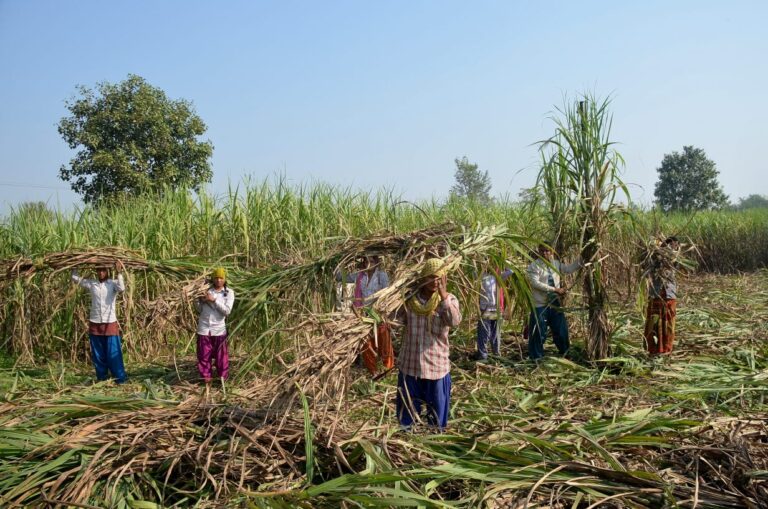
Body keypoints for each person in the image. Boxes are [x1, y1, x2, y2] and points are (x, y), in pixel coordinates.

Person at [396, 258, 461, 431]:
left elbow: (454, 321)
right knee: (407, 415)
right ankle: (406, 441)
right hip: (410, 366)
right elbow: (396, 320)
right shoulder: (409, 301)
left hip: (436, 368)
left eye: (439, 277)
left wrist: (444, 296)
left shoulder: (449, 300)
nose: (434, 282)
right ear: (423, 278)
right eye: (430, 277)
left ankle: (434, 442)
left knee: (437, 418)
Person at [71, 261, 128, 384]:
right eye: (99, 270)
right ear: (96, 271)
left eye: (103, 270)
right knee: (98, 353)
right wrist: (74, 265)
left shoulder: (113, 284)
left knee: (113, 352)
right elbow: (75, 278)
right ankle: (102, 378)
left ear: (107, 271)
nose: (101, 272)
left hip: (109, 322)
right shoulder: (92, 284)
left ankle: (120, 379)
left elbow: (122, 288)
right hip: (95, 322)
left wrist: (119, 273)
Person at [336, 256, 394, 376]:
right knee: (366, 342)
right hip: (363, 314)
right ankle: (373, 371)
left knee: (384, 340)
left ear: (377, 262)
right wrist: (337, 262)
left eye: (371, 261)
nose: (368, 264)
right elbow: (341, 277)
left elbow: (386, 295)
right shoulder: (360, 276)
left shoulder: (381, 276)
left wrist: (381, 312)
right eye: (366, 261)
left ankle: (387, 368)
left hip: (378, 314)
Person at [526, 244, 581, 360]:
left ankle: (565, 352)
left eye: (547, 251)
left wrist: (583, 259)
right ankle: (536, 357)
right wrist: (555, 289)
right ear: (539, 252)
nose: (545, 253)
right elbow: (535, 283)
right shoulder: (534, 266)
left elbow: (568, 269)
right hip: (540, 305)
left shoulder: (555, 264)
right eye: (542, 251)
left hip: (554, 304)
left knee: (561, 330)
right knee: (538, 332)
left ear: (551, 251)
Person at [195, 267, 235, 383]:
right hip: (204, 328)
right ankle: (206, 379)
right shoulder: (206, 290)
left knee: (221, 357)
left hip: (219, 329)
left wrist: (214, 300)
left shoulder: (229, 293)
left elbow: (227, 311)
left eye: (221, 278)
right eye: (216, 278)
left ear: (224, 279)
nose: (218, 280)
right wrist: (197, 299)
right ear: (213, 279)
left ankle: (223, 379)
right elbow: (199, 310)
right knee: (203, 356)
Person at [644, 236, 680, 356]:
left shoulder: (675, 259)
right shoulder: (654, 258)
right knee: (654, 324)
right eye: (672, 245)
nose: (674, 247)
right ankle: (653, 350)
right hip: (656, 295)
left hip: (669, 296)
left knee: (668, 325)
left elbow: (676, 268)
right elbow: (646, 268)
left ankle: (666, 349)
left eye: (676, 245)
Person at [475, 268, 512, 361]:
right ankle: (483, 356)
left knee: (496, 333)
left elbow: (511, 271)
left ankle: (496, 353)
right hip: (485, 310)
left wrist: (501, 263)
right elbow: (473, 270)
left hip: (497, 309)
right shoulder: (480, 276)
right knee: (484, 333)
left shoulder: (498, 276)